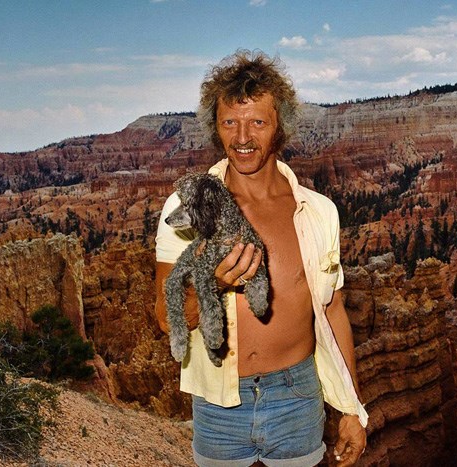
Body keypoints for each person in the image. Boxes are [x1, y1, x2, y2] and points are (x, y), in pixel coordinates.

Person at [155, 49, 368, 467]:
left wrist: (351, 408)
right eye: (229, 122)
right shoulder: (184, 209)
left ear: (280, 127)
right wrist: (212, 283)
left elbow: (333, 311)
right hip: (219, 405)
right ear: (215, 128)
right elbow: (166, 318)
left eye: (257, 122)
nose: (242, 138)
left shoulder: (318, 212)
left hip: (297, 396)